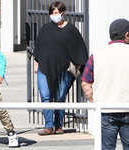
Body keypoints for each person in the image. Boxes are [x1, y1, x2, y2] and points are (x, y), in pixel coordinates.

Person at [33, 2, 88, 135]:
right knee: (45, 96)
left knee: (59, 97)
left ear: (63, 13)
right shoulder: (45, 28)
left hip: (64, 70)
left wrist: (76, 67)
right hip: (44, 68)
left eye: (56, 12)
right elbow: (39, 48)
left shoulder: (71, 30)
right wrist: (36, 63)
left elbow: (79, 49)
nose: (53, 15)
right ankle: (48, 126)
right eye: (52, 13)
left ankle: (58, 125)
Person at [81, 18, 129, 150]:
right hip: (128, 109)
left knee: (107, 148)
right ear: (127, 35)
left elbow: (85, 83)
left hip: (106, 109)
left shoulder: (96, 55)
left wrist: (94, 101)